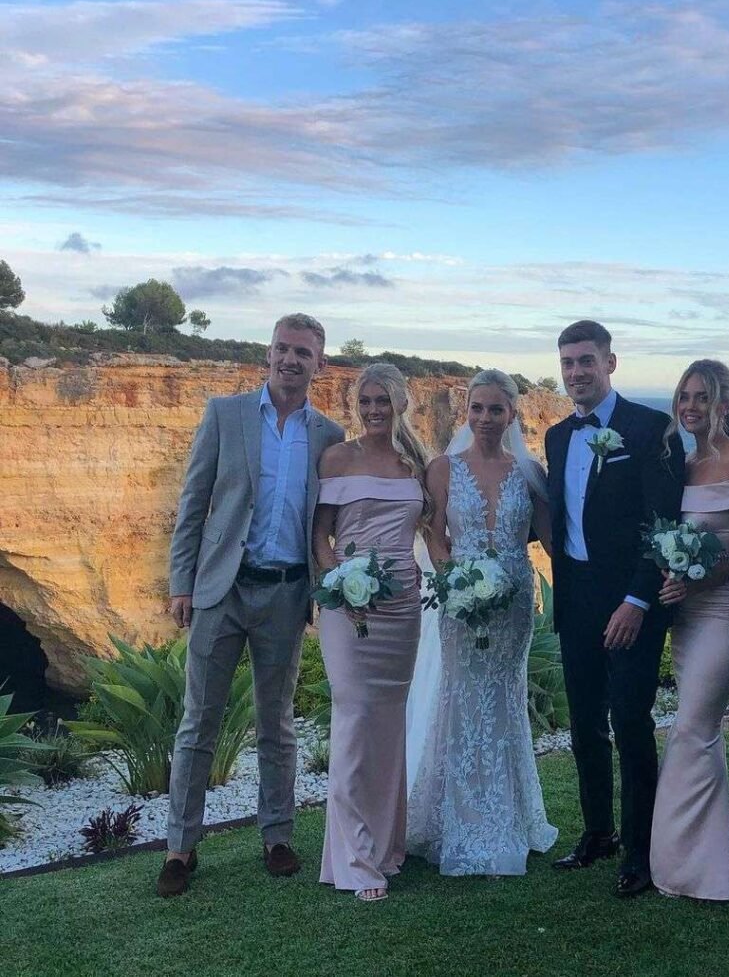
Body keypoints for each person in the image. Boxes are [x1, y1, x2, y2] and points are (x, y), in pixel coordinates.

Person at [158, 313, 344, 897]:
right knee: (198, 723)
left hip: (287, 594)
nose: (291, 360)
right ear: (268, 354)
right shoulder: (226, 414)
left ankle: (277, 836)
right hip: (221, 590)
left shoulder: (328, 437)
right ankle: (180, 848)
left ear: (320, 363)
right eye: (283, 349)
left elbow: (333, 519)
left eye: (304, 352)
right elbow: (194, 503)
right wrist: (181, 583)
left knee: (278, 723)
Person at [545, 320, 684, 898]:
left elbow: (663, 525)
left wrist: (636, 599)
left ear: (611, 362)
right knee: (584, 724)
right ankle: (597, 832)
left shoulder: (650, 428)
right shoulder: (556, 436)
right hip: (574, 599)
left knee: (630, 722)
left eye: (586, 361)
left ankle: (640, 849)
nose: (577, 372)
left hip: (632, 602)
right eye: (568, 363)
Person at [406, 369, 558, 876]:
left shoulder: (529, 473)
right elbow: (432, 534)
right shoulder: (443, 468)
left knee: (504, 700)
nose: (486, 418)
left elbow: (551, 539)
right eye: (478, 408)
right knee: (464, 699)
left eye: (496, 409)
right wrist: (455, 584)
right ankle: (456, 822)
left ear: (512, 414)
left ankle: (510, 819)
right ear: (466, 412)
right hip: (460, 604)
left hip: (514, 603)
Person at [649, 360, 729, 901]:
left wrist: (699, 582)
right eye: (684, 397)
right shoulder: (683, 463)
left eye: (703, 397)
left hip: (728, 610)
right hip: (687, 615)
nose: (691, 406)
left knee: (692, 729)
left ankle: (687, 869)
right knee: (700, 732)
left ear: (723, 404)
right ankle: (709, 863)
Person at [313, 363, 430, 902]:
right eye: (366, 401)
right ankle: (354, 861)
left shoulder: (417, 464)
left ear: (401, 403)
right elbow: (320, 537)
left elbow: (438, 531)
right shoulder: (338, 457)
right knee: (355, 723)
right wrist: (340, 585)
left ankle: (384, 848)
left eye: (383, 400)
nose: (374, 410)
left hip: (404, 609)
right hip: (349, 611)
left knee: (388, 730)